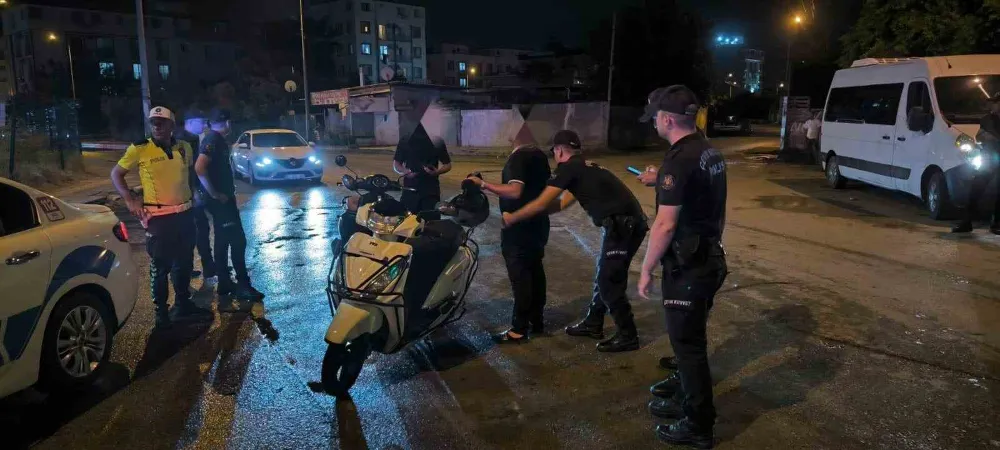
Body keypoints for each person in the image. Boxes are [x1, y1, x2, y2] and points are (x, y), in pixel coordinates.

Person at [636, 85, 728, 448]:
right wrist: (658, 179)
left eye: (655, 117)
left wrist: (646, 268)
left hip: (690, 267)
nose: (653, 123)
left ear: (668, 119)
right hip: (709, 258)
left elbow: (665, 224)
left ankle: (698, 425)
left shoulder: (679, 159)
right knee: (690, 342)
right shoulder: (706, 149)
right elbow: (700, 194)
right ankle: (685, 400)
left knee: (688, 348)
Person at [502, 130, 648, 353]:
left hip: (622, 226)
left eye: (555, 152)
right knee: (604, 274)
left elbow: (543, 203)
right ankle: (593, 323)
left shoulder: (569, 168)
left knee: (609, 281)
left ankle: (628, 335)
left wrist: (514, 216)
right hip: (627, 225)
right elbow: (561, 203)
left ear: (559, 150)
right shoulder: (587, 166)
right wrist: (534, 212)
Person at [110, 106, 210, 328]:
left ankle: (183, 304)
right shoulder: (139, 149)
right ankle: (161, 314)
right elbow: (116, 174)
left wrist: (196, 197)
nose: (156, 126)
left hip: (184, 215)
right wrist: (130, 200)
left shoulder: (184, 148)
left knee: (184, 263)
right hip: (158, 218)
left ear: (171, 126)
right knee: (160, 267)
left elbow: (189, 177)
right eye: (153, 122)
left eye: (161, 122)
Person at [465, 136, 551, 343]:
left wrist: (483, 184)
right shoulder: (539, 156)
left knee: (521, 276)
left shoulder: (518, 158)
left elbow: (515, 191)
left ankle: (519, 329)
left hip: (519, 226)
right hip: (539, 223)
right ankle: (536, 321)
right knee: (534, 271)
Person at [194, 108, 264, 301]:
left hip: (221, 201)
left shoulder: (213, 139)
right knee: (238, 241)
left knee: (222, 241)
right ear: (227, 123)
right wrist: (215, 194)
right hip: (221, 202)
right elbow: (199, 168)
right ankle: (243, 285)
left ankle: (224, 283)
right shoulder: (214, 140)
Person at [953, 93, 1000, 234]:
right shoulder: (987, 119)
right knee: (976, 189)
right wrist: (985, 137)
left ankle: (996, 223)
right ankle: (966, 222)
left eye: (995, 102)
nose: (992, 105)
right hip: (989, 158)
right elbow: (980, 135)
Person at [180, 108, 216, 279]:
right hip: (186, 196)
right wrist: (193, 191)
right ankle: (187, 270)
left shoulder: (194, 139)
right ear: (191, 122)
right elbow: (185, 170)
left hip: (193, 194)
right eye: (201, 121)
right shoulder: (181, 141)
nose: (205, 125)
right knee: (192, 233)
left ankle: (207, 267)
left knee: (201, 230)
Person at [393, 124, 452, 216]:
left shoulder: (437, 141)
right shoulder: (405, 140)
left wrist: (437, 172)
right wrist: (406, 172)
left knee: (431, 223)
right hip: (410, 190)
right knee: (407, 224)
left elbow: (447, 164)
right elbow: (397, 164)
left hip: (430, 191)